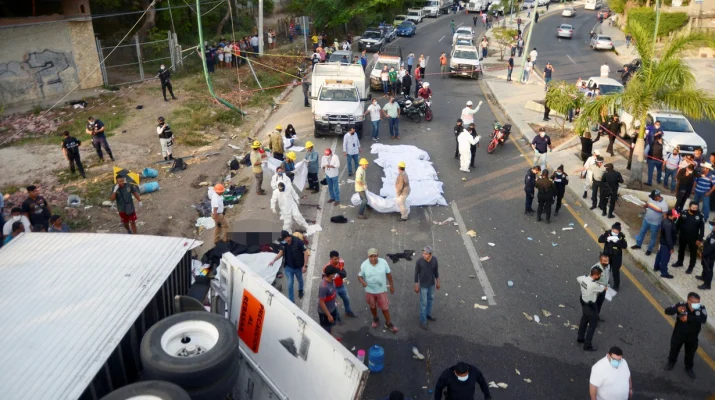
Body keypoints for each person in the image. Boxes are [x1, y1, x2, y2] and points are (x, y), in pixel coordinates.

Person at [664, 292, 707, 379]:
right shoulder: (681, 305)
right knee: (674, 349)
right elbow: (667, 311)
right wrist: (677, 310)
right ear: (688, 301)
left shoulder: (701, 309)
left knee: (690, 354)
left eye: (698, 302)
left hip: (692, 338)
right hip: (678, 335)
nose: (697, 304)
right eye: (695, 303)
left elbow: (703, 319)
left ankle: (688, 368)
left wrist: (689, 318)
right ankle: (671, 362)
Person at [358, 248, 398, 333]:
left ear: (377, 255)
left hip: (381, 290)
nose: (373, 258)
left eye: (374, 256)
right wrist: (363, 282)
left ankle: (388, 323)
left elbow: (388, 274)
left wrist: (392, 285)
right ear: (368, 257)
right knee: (372, 306)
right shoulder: (364, 265)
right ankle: (375, 319)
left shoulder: (383, 262)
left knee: (385, 307)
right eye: (371, 257)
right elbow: (359, 276)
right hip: (370, 291)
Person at [270, 231, 308, 303]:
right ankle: (291, 301)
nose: (286, 241)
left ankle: (300, 290)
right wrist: (273, 260)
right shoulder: (284, 243)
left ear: (288, 236)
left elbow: (305, 253)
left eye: (286, 239)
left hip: (298, 267)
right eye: (284, 239)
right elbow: (281, 253)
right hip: (288, 267)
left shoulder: (298, 242)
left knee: (300, 280)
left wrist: (305, 266)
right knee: (290, 283)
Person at [577, 266, 608, 351]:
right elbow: (603, 288)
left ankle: (580, 337)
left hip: (584, 303)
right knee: (592, 325)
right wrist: (605, 287)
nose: (600, 276)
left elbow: (578, 278)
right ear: (595, 275)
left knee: (584, 319)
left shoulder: (583, 279)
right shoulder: (594, 285)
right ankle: (587, 345)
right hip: (591, 306)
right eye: (599, 275)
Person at [632, 190, 669, 255]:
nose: (651, 198)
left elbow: (664, 216)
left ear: (657, 196)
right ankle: (638, 244)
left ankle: (649, 250)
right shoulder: (651, 199)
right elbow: (647, 205)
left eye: (653, 197)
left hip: (655, 224)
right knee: (641, 233)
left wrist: (665, 225)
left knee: (653, 237)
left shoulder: (664, 205)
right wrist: (644, 205)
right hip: (646, 220)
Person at [673, 201, 705, 274]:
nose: (694, 209)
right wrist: (675, 232)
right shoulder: (683, 213)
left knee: (693, 253)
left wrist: (700, 239)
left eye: (696, 208)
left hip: (693, 238)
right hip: (683, 235)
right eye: (693, 208)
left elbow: (702, 229)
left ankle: (691, 267)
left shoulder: (700, 216)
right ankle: (679, 262)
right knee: (681, 249)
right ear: (689, 207)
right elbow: (678, 223)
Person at [324, 251, 355, 322]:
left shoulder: (341, 263)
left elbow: (343, 273)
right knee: (335, 303)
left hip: (341, 285)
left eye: (338, 258)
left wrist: (339, 271)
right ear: (331, 259)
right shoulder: (326, 268)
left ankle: (348, 311)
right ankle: (337, 317)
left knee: (346, 298)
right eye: (335, 259)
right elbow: (324, 279)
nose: (337, 260)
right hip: (333, 288)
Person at [415, 246, 439, 330]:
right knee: (424, 302)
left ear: (430, 255)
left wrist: (438, 281)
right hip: (423, 285)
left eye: (425, 254)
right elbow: (416, 273)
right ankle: (423, 320)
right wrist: (416, 285)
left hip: (431, 284)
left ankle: (428, 314)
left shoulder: (434, 260)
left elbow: (436, 271)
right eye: (423, 253)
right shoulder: (419, 261)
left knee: (430, 299)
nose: (423, 255)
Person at [599, 222, 627, 290]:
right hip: (607, 255)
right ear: (611, 229)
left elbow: (625, 246)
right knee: (606, 270)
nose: (614, 233)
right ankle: (605, 282)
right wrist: (606, 239)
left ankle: (616, 286)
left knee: (615, 272)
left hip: (616, 257)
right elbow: (600, 240)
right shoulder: (607, 233)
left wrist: (617, 242)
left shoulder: (621, 237)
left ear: (619, 232)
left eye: (616, 232)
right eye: (613, 231)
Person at [654, 209, 679, 279]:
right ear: (670, 216)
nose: (676, 217)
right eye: (675, 216)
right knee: (665, 259)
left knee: (659, 255)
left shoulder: (665, 221)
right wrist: (671, 247)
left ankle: (656, 267)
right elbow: (668, 237)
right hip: (666, 244)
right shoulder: (668, 224)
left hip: (662, 242)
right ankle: (664, 273)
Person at [317, 264, 340, 335]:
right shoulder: (324, 287)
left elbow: (333, 291)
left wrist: (335, 299)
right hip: (325, 313)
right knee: (326, 329)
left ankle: (331, 335)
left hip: (332, 307)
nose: (336, 275)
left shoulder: (331, 280)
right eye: (334, 273)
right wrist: (329, 315)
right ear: (330, 275)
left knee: (331, 325)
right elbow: (321, 302)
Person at [699, 221, 715, 289]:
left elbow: (711, 247)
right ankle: (703, 277)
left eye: (714, 226)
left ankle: (707, 284)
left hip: (710, 256)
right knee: (704, 266)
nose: (713, 226)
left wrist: (703, 253)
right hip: (706, 254)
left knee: (708, 269)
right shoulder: (713, 232)